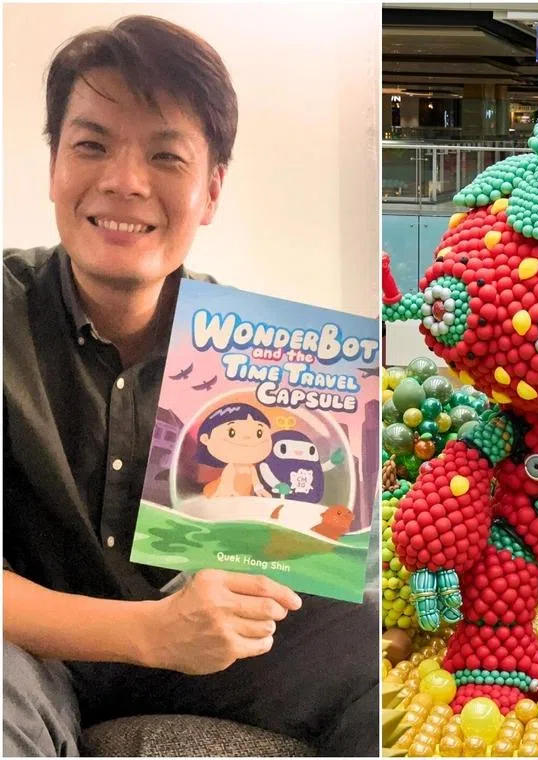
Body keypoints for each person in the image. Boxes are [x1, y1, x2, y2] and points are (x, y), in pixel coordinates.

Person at [3, 16, 378, 756]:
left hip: (203, 659)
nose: (124, 181)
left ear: (210, 190)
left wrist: (311, 548)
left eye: (165, 155)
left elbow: (314, 561)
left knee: (369, 640)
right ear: (54, 167)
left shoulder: (264, 358)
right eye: (92, 145)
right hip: (27, 650)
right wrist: (150, 632)